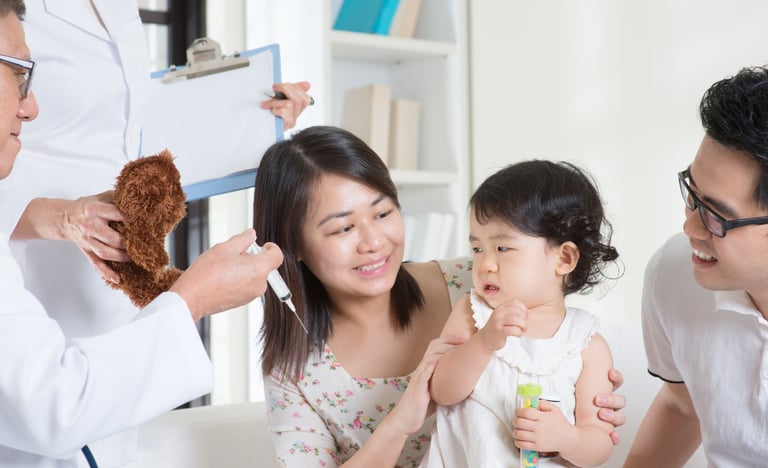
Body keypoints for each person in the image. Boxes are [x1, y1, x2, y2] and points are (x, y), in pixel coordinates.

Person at [0, 1, 311, 465]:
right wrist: (195, 298)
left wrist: (248, 110)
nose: (32, 106)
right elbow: (51, 405)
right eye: (22, 78)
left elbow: (130, 133)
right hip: (38, 279)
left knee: (102, 429)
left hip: (109, 299)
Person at [251, 126, 627, 467]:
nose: (374, 242)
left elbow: (579, 391)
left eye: (382, 213)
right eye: (344, 228)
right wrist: (399, 423)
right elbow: (446, 388)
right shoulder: (294, 369)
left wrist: (577, 423)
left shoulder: (481, 283)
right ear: (293, 244)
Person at [422, 160, 619, 467]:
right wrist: (484, 342)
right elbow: (442, 391)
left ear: (564, 258)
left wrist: (566, 438)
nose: (485, 264)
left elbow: (599, 444)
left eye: (502, 249)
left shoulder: (586, 344)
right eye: (477, 249)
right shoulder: (472, 314)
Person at [624, 66, 768, 467]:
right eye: (693, 194)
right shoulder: (674, 274)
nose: (689, 227)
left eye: (715, 215)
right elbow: (683, 405)